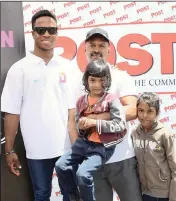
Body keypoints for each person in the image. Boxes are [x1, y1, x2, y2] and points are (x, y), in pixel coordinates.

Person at [56, 28, 143, 201]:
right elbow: (73, 121)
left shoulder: (120, 76)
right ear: (85, 49)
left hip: (121, 158)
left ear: (109, 49)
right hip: (91, 161)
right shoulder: (77, 82)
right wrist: (80, 154)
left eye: (101, 45)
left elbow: (132, 110)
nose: (96, 49)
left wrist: (95, 119)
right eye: (92, 45)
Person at [1, 10, 78, 201]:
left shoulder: (67, 67)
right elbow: (11, 113)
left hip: (66, 148)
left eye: (51, 30)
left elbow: (72, 111)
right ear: (33, 33)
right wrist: (9, 150)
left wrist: (77, 146)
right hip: (36, 149)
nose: (46, 34)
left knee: (71, 194)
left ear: (56, 33)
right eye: (41, 29)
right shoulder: (19, 69)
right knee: (41, 195)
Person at [55, 58, 127, 201]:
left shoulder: (111, 99)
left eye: (102, 81)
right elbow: (79, 127)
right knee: (61, 165)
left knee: (82, 174)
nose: (97, 85)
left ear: (107, 81)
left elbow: (120, 124)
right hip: (84, 143)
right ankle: (73, 195)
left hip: (102, 147)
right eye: (93, 80)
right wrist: (82, 127)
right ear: (86, 80)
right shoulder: (81, 101)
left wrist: (94, 123)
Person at [131, 92, 176, 201]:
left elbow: (175, 169)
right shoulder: (134, 133)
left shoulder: (164, 134)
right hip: (143, 192)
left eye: (150, 111)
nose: (144, 115)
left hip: (162, 194)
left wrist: (175, 198)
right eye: (141, 111)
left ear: (157, 113)